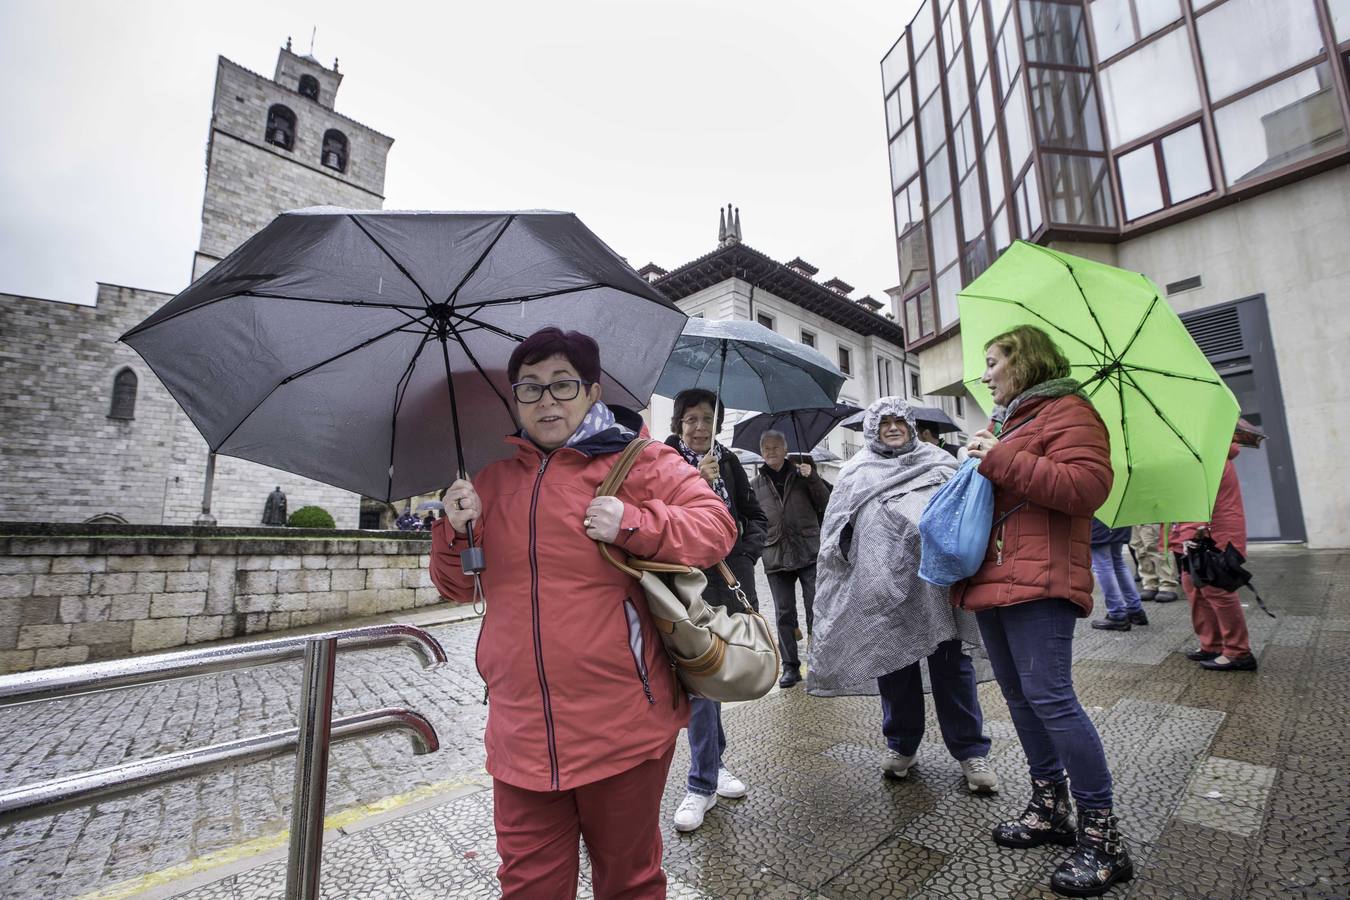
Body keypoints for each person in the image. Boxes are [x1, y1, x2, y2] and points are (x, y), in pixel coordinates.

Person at [430, 327, 737, 899]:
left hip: (621, 725)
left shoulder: (641, 460)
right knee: (528, 888)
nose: (546, 400)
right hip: (519, 731)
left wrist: (633, 523)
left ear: (592, 393)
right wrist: (454, 530)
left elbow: (717, 528)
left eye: (562, 385)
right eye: (530, 389)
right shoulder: (488, 482)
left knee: (628, 882)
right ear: (515, 400)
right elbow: (453, 587)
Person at [955, 324, 1132, 897]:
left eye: (992, 362)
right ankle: (1050, 805)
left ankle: (1103, 837)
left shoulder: (1070, 412)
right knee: (1018, 698)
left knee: (1052, 698)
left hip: (1042, 579)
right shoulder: (1011, 422)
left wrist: (1001, 458)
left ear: (1022, 362)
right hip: (993, 576)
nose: (985, 375)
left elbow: (1087, 487)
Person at [809, 398, 999, 794]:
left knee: (951, 667)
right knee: (895, 669)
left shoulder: (941, 463)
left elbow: (963, 513)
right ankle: (902, 745)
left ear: (911, 426)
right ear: (872, 429)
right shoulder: (855, 472)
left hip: (935, 586)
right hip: (885, 590)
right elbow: (835, 534)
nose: (892, 428)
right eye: (884, 423)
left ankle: (970, 751)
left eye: (899, 421)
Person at [664, 388, 767, 832]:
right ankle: (701, 783)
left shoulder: (730, 461)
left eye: (707, 418)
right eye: (691, 419)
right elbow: (660, 514)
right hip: (683, 587)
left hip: (727, 583)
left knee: (714, 677)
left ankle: (714, 765)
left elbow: (755, 515)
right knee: (699, 684)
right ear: (678, 424)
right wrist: (696, 484)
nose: (699, 427)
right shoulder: (664, 460)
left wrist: (745, 556)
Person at [752, 429, 831, 688]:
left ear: (785, 450)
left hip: (807, 550)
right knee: (784, 613)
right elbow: (753, 519)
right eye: (766, 448)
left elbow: (826, 504)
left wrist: (813, 478)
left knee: (815, 609)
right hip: (775, 554)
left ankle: (819, 663)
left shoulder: (802, 473)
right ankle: (790, 667)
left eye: (775, 447)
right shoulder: (755, 485)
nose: (771, 452)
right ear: (761, 453)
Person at [1171, 439, 1256, 671]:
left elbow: (1201, 499)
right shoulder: (1201, 454)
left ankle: (1238, 652)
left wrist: (1190, 533)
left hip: (1212, 534)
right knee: (1194, 586)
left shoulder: (1208, 455)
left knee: (1217, 590)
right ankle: (1212, 644)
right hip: (1197, 533)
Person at [1089, 519, 1148, 631]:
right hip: (1118, 520)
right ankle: (1135, 610)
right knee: (1118, 562)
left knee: (1103, 565)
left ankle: (1117, 614)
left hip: (1099, 521)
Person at [1131, 524, 1179, 602]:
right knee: (1140, 550)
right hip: (1133, 517)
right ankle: (1150, 583)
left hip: (1153, 516)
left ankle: (1167, 584)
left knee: (1157, 547)